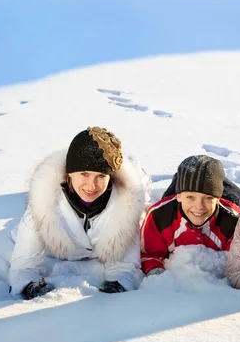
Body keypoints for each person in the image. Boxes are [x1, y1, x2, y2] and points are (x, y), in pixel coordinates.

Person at [9, 127, 149, 299]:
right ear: (70, 173)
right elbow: (23, 266)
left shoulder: (126, 207)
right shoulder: (43, 206)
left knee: (139, 183)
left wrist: (118, 284)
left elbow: (126, 266)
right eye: (84, 174)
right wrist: (30, 286)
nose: (91, 186)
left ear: (110, 177)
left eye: (101, 176)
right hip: (59, 246)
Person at [140, 155, 240, 275]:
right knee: (181, 185)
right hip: (175, 201)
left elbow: (238, 263)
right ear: (179, 196)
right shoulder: (159, 217)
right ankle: (181, 181)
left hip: (228, 196)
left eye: (208, 198)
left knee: (236, 197)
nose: (199, 206)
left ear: (218, 199)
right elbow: (149, 254)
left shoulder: (234, 221)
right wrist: (157, 275)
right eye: (191, 197)